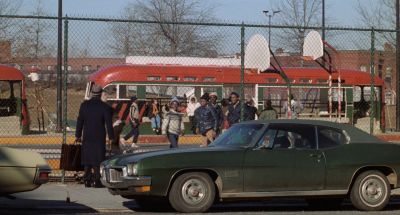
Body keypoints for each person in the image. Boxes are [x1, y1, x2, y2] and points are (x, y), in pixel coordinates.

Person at [75, 84, 114, 188]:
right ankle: (97, 180)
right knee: (98, 157)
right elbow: (108, 123)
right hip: (99, 135)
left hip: (87, 135)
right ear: (101, 93)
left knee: (87, 156)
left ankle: (87, 179)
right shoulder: (105, 107)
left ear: (91, 93)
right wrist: (111, 136)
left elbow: (80, 121)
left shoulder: (84, 105)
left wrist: (77, 135)